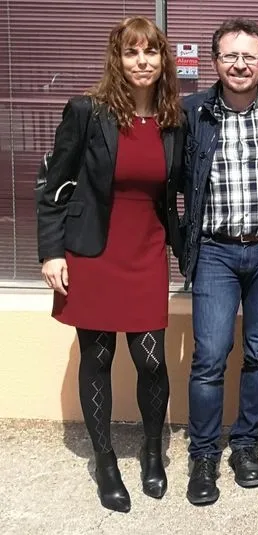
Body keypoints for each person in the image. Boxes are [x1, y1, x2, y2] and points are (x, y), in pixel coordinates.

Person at [36, 16, 184, 512]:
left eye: (150, 52)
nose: (142, 61)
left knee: (151, 360)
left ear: (162, 60)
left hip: (146, 251)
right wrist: (52, 251)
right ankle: (105, 461)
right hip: (92, 251)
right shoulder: (87, 112)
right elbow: (54, 185)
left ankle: (150, 452)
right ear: (117, 59)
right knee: (97, 358)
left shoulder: (172, 120)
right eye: (131, 52)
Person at [178, 18, 258, 506]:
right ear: (214, 63)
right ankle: (204, 453)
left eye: (249, 56)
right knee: (210, 357)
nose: (239, 64)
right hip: (215, 251)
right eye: (230, 56)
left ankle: (245, 445)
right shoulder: (194, 114)